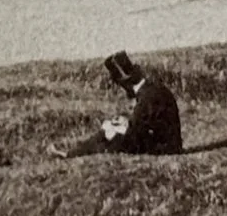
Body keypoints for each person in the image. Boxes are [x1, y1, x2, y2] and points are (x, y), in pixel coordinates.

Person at [52, 51, 182, 157]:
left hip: (163, 149)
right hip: (169, 144)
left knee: (109, 138)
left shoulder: (146, 97)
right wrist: (124, 123)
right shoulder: (153, 89)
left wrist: (114, 129)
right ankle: (73, 151)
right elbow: (146, 123)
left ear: (126, 83)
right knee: (111, 132)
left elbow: (135, 131)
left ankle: (72, 153)